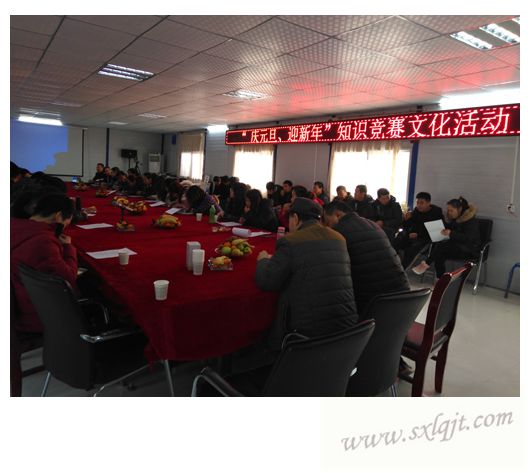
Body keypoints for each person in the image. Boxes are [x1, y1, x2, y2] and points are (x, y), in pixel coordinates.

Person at [254, 197, 359, 355]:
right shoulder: (339, 238)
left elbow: (267, 281)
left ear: (295, 218)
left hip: (307, 335)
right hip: (348, 330)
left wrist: (263, 260)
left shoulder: (291, 241)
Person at [324, 201, 410, 316]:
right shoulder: (372, 224)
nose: (327, 226)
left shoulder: (338, 233)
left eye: (328, 222)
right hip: (403, 296)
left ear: (337, 215)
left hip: (374, 304)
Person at [11, 194, 78, 333]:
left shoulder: (13, 225)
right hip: (39, 315)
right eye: (67, 221)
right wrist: (68, 248)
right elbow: (68, 278)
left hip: (18, 305)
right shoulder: (43, 241)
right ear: (59, 216)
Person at [412, 197, 481, 278]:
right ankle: (440, 279)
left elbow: (468, 238)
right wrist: (443, 227)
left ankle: (426, 264)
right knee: (439, 254)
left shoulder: (470, 221)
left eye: (451, 210)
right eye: (448, 210)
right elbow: (452, 229)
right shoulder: (457, 218)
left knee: (442, 247)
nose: (449, 213)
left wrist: (451, 233)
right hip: (457, 247)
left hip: (469, 249)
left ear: (459, 209)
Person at [395, 192, 444, 269]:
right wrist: (406, 219)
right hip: (414, 235)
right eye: (417, 203)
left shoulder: (436, 213)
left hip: (426, 238)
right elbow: (408, 225)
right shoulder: (416, 211)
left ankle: (403, 268)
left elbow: (437, 233)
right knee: (398, 239)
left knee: (411, 249)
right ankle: (394, 263)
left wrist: (418, 235)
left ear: (428, 203)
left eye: (421, 203)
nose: (418, 205)